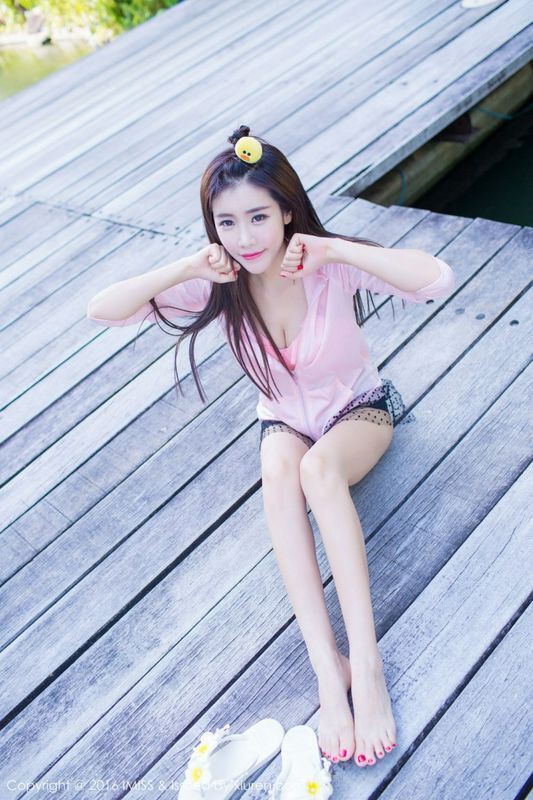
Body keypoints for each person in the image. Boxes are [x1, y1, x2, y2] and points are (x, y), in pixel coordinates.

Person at [87, 125, 455, 770]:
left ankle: (366, 665)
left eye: (259, 216)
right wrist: (188, 266)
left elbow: (435, 278)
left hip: (359, 412)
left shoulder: (324, 266)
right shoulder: (220, 281)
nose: (246, 237)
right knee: (282, 468)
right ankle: (328, 669)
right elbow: (104, 309)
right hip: (283, 422)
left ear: (287, 211)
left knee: (318, 468)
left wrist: (334, 248)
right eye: (227, 222)